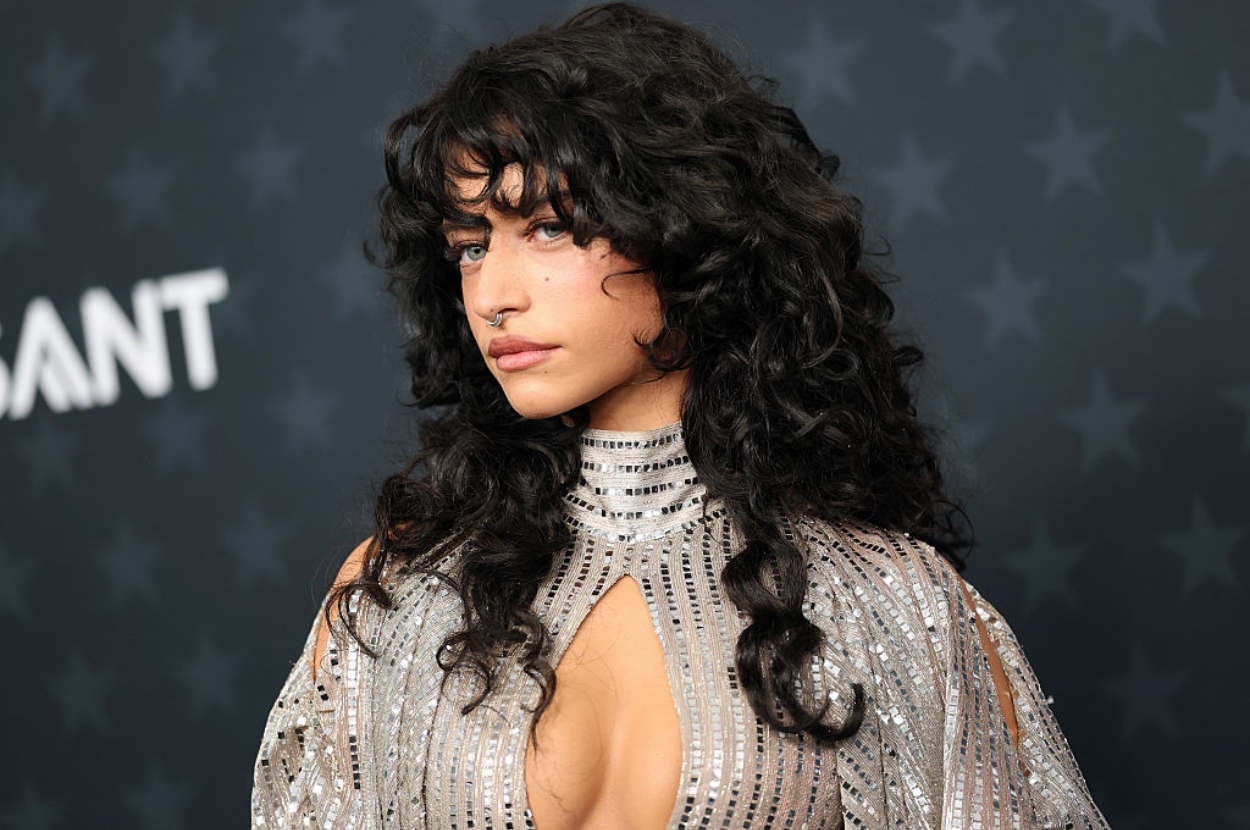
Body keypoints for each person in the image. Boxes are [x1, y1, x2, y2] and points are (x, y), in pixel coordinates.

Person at [252, 4, 1110, 828]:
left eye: (548, 228)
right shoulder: (399, 593)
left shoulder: (891, 601)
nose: (493, 296)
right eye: (470, 247)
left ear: (685, 227)